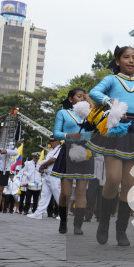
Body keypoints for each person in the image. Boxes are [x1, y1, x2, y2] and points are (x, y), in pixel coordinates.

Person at [86, 46, 134, 246]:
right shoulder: (112, 80)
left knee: (129, 185)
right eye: (126, 57)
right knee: (112, 179)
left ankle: (121, 230)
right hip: (115, 127)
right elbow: (94, 92)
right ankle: (103, 223)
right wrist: (110, 101)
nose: (131, 61)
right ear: (118, 61)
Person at [49, 88, 93, 234]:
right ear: (70, 99)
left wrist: (90, 102)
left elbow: (95, 132)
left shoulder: (90, 114)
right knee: (66, 192)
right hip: (68, 150)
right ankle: (63, 221)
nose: (82, 99)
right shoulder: (62, 113)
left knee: (81, 191)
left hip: (85, 152)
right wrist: (70, 135)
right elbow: (56, 133)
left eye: (84, 97)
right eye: (79, 96)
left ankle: (78, 225)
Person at [30, 137, 63, 226]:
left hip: (54, 175)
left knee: (58, 194)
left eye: (52, 141)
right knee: (44, 195)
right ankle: (38, 213)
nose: (51, 142)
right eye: (50, 141)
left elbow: (53, 160)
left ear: (57, 141)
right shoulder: (51, 150)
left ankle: (63, 214)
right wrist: (42, 167)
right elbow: (48, 160)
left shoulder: (59, 148)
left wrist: (42, 165)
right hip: (47, 174)